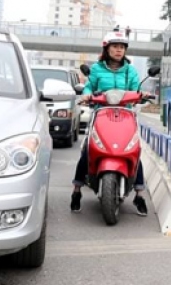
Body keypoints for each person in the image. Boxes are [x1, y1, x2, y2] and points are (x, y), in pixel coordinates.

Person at [70, 31, 148, 216]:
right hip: (101, 114)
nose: (118, 50)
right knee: (87, 150)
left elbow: (137, 89)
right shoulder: (97, 69)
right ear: (106, 48)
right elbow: (89, 86)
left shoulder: (130, 70)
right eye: (115, 46)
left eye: (122, 47)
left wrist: (142, 95)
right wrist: (86, 94)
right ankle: (76, 191)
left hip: (125, 115)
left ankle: (139, 194)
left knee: (133, 150)